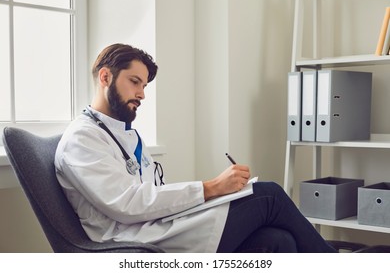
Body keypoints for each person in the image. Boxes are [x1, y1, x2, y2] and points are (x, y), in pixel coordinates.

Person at [54, 43, 336, 253]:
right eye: (135, 82)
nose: (141, 94)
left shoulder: (125, 134)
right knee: (270, 195)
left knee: (278, 241)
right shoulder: (82, 139)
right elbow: (128, 204)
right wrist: (211, 188)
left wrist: (210, 198)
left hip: (158, 226)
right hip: (131, 242)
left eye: (145, 85)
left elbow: (152, 193)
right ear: (105, 77)